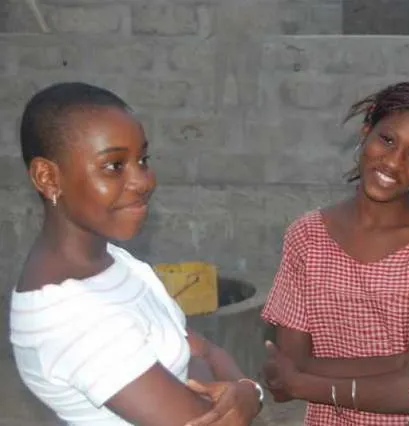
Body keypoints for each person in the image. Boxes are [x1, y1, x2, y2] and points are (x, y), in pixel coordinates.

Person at [10, 82, 263, 426]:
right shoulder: (67, 314)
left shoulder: (116, 261)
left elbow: (203, 349)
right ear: (48, 178)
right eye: (114, 166)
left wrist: (247, 391)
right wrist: (245, 396)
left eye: (142, 160)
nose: (143, 181)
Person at [261, 81, 409, 425]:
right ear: (366, 131)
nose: (393, 162)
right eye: (388, 140)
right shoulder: (307, 236)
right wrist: (397, 363)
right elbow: (291, 359)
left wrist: (302, 381)